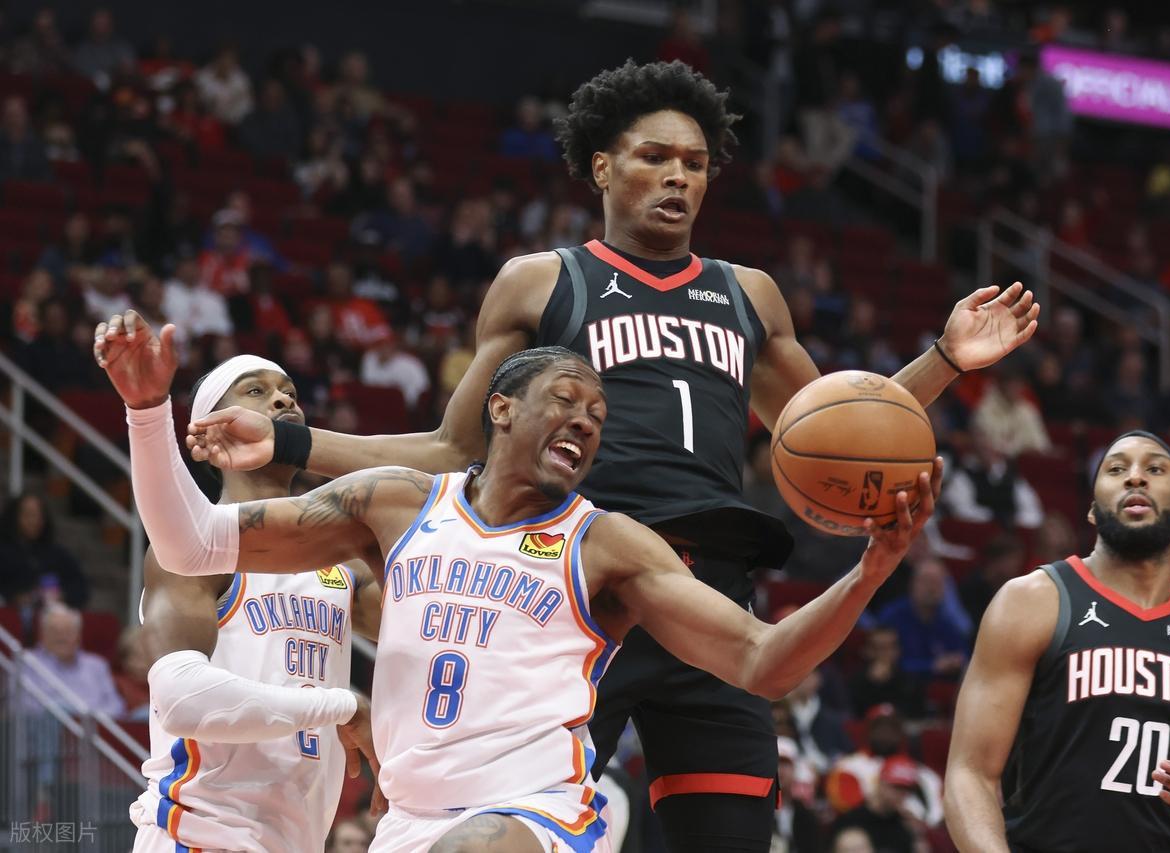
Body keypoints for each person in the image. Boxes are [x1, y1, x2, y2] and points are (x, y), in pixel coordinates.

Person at [184, 60, 1037, 852]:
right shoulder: (542, 281)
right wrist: (293, 443)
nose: (678, 177)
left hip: (707, 595)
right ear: (601, 167)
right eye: (654, 157)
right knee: (511, 830)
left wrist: (946, 360)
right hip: (576, 589)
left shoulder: (749, 294)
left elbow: (838, 432)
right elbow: (453, 446)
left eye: (695, 164)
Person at [97, 312, 940, 853]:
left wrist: (870, 570)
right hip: (407, 824)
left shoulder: (608, 544)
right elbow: (191, 540)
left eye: (598, 417)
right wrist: (146, 412)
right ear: (500, 409)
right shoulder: (396, 504)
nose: (584, 420)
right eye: (566, 400)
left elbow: (764, 660)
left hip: (531, 816)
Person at [945, 431, 1170, 852]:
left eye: (1155, 468)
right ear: (1094, 510)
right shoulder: (1031, 601)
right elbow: (969, 774)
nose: (1135, 477)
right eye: (1116, 469)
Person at [122, 354, 383, 853]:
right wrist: (342, 705)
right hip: (199, 836)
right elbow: (182, 699)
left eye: (290, 392)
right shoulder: (193, 551)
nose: (283, 400)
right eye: (256, 391)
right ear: (210, 432)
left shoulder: (342, 572)